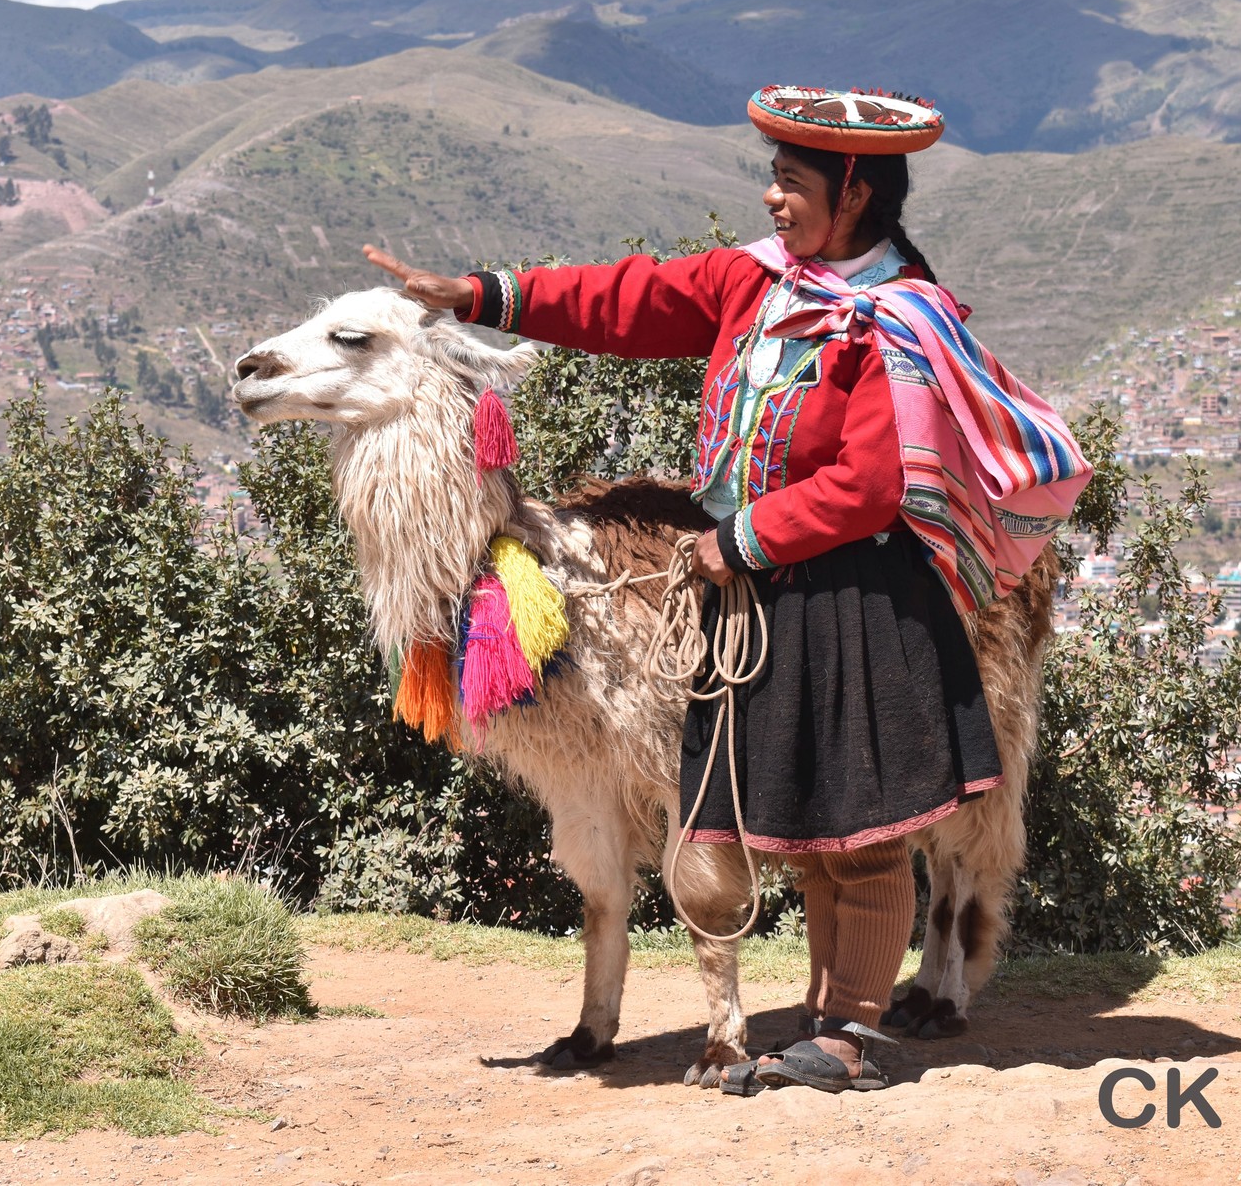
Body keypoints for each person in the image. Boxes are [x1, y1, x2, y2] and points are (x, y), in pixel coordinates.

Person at [367, 86, 1087, 1094]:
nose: (771, 199)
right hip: (763, 590)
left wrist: (740, 537)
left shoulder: (893, 322)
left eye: (790, 185)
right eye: (773, 179)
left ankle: (845, 1033)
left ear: (853, 194)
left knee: (864, 825)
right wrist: (478, 295)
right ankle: (831, 1016)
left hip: (861, 595)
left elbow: (867, 484)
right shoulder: (760, 282)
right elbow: (629, 299)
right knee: (812, 823)